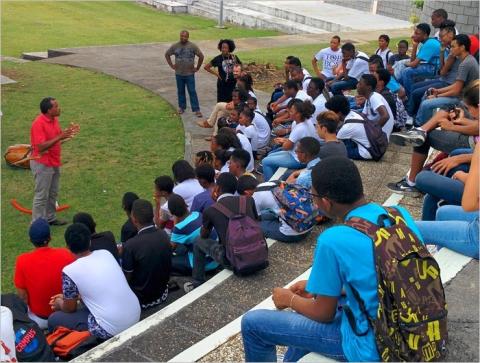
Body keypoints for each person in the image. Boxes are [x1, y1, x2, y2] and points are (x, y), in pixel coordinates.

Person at [241, 156, 423, 362]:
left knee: (253, 324)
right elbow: (386, 275)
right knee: (312, 306)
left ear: (326, 202)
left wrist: (288, 299)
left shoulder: (332, 239)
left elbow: (323, 313)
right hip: (408, 325)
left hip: (372, 345)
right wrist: (317, 287)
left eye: (313, 196)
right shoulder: (398, 214)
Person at [48, 223, 140, 338]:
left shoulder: (69, 271)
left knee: (54, 319)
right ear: (90, 241)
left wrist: (60, 303)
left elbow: (70, 308)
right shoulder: (105, 253)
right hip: (135, 313)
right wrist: (68, 298)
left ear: (67, 247)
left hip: (113, 327)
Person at [388, 79, 479, 194]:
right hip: (474, 140)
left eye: (469, 108)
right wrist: (462, 120)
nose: (469, 111)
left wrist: (452, 127)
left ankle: (411, 183)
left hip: (471, 143)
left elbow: (477, 128)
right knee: (452, 106)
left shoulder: (467, 64)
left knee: (426, 138)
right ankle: (421, 130)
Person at [184, 173, 259, 292]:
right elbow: (256, 222)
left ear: (217, 189)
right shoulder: (248, 200)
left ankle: (197, 282)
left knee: (198, 241)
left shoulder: (211, 209)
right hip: (258, 254)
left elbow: (204, 236)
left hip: (233, 261)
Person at [415, 144, 478, 258]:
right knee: (442, 211)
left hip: (475, 235)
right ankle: (435, 255)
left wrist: (462, 175)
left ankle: (426, 253)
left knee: (408, 229)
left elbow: (470, 203)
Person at [14, 218, 74, 329]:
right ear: (50, 237)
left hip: (39, 320)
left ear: (30, 240)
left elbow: (23, 297)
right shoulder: (65, 254)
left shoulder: (22, 260)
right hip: (66, 314)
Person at [30, 97, 80, 225]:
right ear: (48, 110)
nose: (59, 108)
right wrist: (60, 136)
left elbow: (57, 139)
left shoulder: (54, 120)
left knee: (53, 192)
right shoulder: (38, 123)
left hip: (54, 161)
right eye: (56, 106)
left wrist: (67, 134)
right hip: (42, 163)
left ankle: (50, 218)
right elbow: (40, 147)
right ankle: (37, 224)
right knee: (41, 195)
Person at [413, 34, 478, 126]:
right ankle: (421, 123)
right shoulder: (468, 60)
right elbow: (456, 85)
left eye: (453, 46)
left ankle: (420, 128)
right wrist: (437, 91)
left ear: (462, 47)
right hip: (460, 96)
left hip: (463, 100)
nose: (451, 49)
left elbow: (456, 91)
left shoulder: (466, 64)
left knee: (426, 104)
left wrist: (437, 96)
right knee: (427, 94)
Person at [122, 199, 172, 309]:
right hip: (162, 293)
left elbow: (126, 278)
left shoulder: (130, 245)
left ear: (134, 219)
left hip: (142, 300)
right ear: (153, 215)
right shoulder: (164, 235)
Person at [263, 99, 317, 181]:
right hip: (299, 152)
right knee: (270, 156)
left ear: (298, 114)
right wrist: (285, 140)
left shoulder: (300, 128)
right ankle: (273, 180)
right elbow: (295, 141)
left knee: (265, 161)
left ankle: (269, 187)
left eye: (291, 111)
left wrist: (282, 141)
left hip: (298, 158)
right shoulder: (306, 121)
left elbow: (286, 147)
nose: (289, 113)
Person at [168, 194, 219, 276]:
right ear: (185, 204)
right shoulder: (198, 214)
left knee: (166, 262)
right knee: (182, 246)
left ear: (171, 212)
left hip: (204, 265)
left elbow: (170, 249)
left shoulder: (179, 228)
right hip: (217, 258)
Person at [165, 30, 204, 117]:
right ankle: (182, 107)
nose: (183, 38)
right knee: (180, 91)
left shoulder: (193, 46)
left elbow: (201, 56)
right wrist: (171, 65)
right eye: (182, 36)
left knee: (192, 91)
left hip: (189, 74)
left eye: (185, 36)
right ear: (180, 36)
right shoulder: (175, 46)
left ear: (188, 37)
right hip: (179, 73)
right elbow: (167, 54)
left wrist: (197, 67)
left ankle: (196, 109)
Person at [327, 95, 373, 160]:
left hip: (368, 152)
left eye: (330, 112)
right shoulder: (354, 112)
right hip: (373, 145)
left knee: (335, 152)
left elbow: (333, 144)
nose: (329, 114)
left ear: (339, 113)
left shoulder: (347, 128)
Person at [399, 23, 440, 95]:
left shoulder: (429, 44)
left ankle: (409, 96)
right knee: (404, 70)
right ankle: (403, 93)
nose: (413, 35)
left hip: (436, 69)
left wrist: (406, 64)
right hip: (432, 66)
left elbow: (413, 64)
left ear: (425, 35)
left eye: (417, 33)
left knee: (405, 72)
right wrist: (415, 45)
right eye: (414, 33)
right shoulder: (428, 42)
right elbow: (413, 61)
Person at [356, 74, 395, 138]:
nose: (357, 86)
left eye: (360, 84)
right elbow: (363, 116)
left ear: (368, 87)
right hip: (374, 129)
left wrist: (374, 130)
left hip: (381, 136)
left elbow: (385, 116)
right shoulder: (369, 98)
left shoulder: (374, 97)